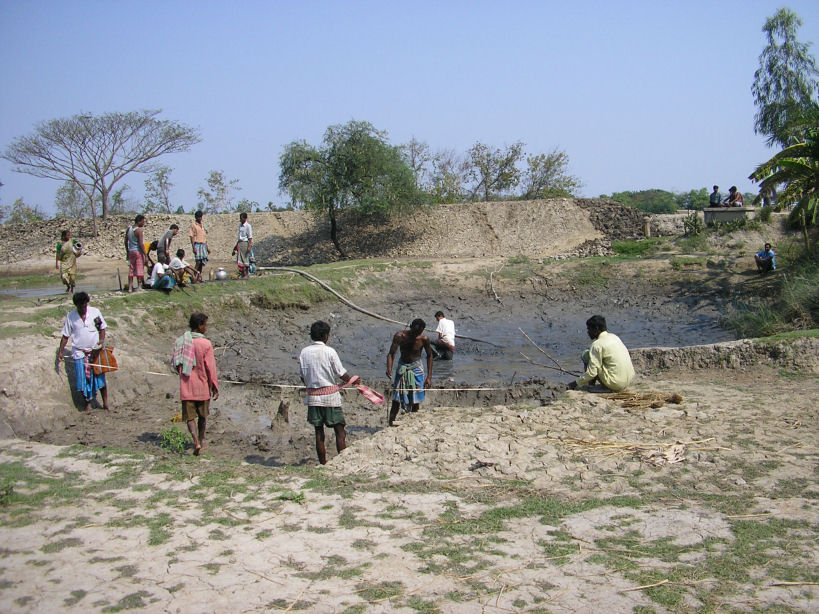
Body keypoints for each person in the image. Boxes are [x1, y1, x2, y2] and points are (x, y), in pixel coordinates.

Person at [298, 320, 354, 464]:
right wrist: (353, 380)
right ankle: (342, 463)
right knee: (340, 431)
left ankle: (323, 463)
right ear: (325, 336)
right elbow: (340, 373)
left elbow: (302, 376)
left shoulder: (304, 352)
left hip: (313, 398)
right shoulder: (329, 351)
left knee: (318, 432)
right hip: (330, 398)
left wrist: (312, 386)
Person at [172, 313, 219, 456]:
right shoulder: (206, 344)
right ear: (200, 326)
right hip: (202, 385)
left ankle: (195, 441)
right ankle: (201, 440)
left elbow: (176, 363)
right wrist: (214, 386)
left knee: (190, 417)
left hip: (186, 385)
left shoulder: (180, 341)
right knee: (203, 416)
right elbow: (210, 367)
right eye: (205, 325)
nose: (206, 327)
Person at [56, 292, 109, 411]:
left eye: (84, 306)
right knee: (82, 380)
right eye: (80, 307)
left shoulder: (95, 312)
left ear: (87, 303)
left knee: (100, 377)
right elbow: (65, 336)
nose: (82, 309)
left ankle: (105, 403)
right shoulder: (71, 316)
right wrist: (60, 352)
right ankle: (88, 403)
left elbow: (102, 328)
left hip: (95, 351)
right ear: (76, 305)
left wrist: (101, 341)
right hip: (79, 353)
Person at [567, 315, 635, 393]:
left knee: (586, 355)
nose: (588, 332)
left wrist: (575, 383)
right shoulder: (614, 337)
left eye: (589, 329)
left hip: (616, 384)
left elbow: (592, 373)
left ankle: (591, 385)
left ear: (596, 329)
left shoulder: (597, 345)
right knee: (597, 358)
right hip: (628, 380)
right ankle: (593, 383)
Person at [386, 319, 433, 426]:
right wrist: (389, 368)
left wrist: (429, 377)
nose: (415, 336)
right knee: (396, 398)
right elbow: (391, 354)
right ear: (410, 327)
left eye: (418, 333)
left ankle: (412, 424)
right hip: (403, 366)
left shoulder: (424, 339)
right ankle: (390, 423)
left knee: (415, 398)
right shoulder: (400, 336)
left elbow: (430, 356)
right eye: (414, 333)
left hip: (416, 367)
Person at [124, 214, 148, 292]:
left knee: (131, 269)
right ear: (139, 221)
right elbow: (141, 244)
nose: (143, 223)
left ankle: (130, 288)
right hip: (138, 252)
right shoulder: (139, 230)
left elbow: (125, 241)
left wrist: (127, 251)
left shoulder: (129, 229)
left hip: (131, 251)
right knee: (139, 269)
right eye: (143, 222)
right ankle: (139, 286)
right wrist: (145, 254)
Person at [56, 230, 80, 295]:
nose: (69, 237)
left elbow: (79, 246)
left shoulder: (72, 241)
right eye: (67, 235)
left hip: (72, 261)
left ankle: (72, 290)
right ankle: (68, 286)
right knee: (64, 277)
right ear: (63, 236)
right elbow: (58, 254)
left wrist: (78, 252)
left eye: (69, 235)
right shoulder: (59, 244)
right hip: (64, 262)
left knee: (72, 277)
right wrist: (56, 263)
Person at [232, 212, 253, 278]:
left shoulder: (248, 226)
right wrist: (236, 246)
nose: (240, 220)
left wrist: (249, 247)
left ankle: (247, 274)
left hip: (245, 243)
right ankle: (242, 274)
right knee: (240, 259)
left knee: (245, 259)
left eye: (241, 218)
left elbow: (250, 237)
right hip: (240, 243)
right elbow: (239, 236)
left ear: (245, 218)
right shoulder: (240, 225)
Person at [189, 210, 210, 275]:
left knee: (202, 262)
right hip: (197, 245)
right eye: (198, 217)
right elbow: (191, 236)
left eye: (200, 217)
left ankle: (199, 276)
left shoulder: (203, 226)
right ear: (196, 217)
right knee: (198, 262)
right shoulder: (193, 225)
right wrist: (193, 248)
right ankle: (194, 276)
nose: (199, 218)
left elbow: (204, 237)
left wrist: (207, 247)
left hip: (203, 245)